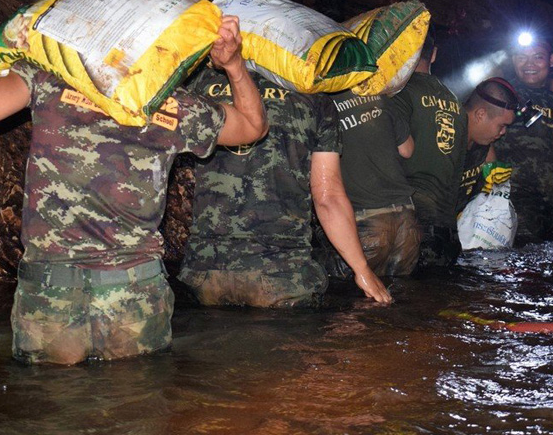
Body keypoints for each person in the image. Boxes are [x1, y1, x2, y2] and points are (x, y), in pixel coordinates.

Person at [0, 17, 268, 365]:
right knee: (135, 406)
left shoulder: (49, 79)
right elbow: (253, 125)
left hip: (52, 290)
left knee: (49, 411)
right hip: (133, 293)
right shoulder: (174, 106)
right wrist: (234, 65)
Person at [179, 67, 393, 308]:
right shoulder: (314, 97)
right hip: (282, 275)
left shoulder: (199, 85)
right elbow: (328, 197)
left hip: (203, 274)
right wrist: (362, 270)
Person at [493, 40, 553, 243]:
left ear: (551, 60)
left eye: (538, 57)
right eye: (522, 57)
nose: (529, 64)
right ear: (513, 60)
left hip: (551, 205)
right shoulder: (501, 94)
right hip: (514, 203)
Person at [317, 90, 420, 277]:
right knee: (402, 298)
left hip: (366, 222)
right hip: (406, 221)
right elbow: (408, 149)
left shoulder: (322, 102)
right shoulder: (379, 95)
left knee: (352, 299)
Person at [391, 36, 468, 268]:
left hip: (415, 228)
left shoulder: (399, 94)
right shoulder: (457, 103)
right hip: (448, 231)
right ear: (433, 53)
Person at [457, 78, 518, 210]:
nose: (503, 132)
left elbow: (498, 190)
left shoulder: (483, 144)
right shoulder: (442, 140)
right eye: (502, 125)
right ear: (481, 115)